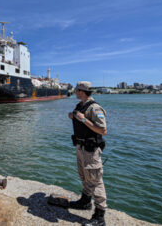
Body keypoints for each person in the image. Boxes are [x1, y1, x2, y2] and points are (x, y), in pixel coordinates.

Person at [68, 81, 107, 226]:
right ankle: (85, 201)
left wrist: (83, 119)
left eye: (76, 90)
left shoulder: (94, 108)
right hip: (80, 147)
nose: (75, 92)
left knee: (95, 180)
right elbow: (78, 117)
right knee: (84, 175)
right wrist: (73, 116)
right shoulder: (80, 105)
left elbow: (103, 130)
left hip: (90, 150)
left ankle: (100, 215)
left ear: (82, 92)